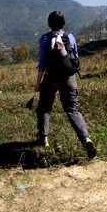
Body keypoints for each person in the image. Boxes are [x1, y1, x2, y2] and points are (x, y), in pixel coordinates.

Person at [33, 11, 97, 159]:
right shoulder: (70, 37)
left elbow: (42, 63)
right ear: (63, 24)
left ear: (49, 24)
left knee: (44, 108)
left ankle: (43, 138)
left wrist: (38, 83)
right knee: (72, 110)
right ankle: (85, 138)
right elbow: (75, 57)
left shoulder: (45, 39)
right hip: (69, 79)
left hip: (50, 79)